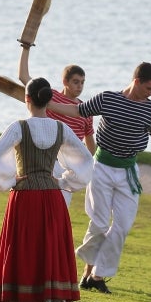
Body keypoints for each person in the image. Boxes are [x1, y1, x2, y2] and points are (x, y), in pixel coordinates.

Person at [48, 62, 151, 293]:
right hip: (102, 168)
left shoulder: (150, 109)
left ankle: (97, 275)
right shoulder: (108, 99)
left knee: (123, 225)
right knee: (98, 223)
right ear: (136, 82)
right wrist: (48, 104)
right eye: (148, 88)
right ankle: (89, 272)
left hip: (128, 172)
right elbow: (78, 110)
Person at [0, 77, 94, 302]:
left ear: (27, 99)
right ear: (50, 101)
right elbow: (86, 159)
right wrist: (65, 180)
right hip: (52, 196)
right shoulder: (60, 128)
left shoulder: (19, 127)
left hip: (25, 196)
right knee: (49, 253)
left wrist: (10, 179)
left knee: (28, 253)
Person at [18, 43, 96, 205]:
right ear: (65, 81)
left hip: (68, 165)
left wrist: (85, 168)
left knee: (60, 207)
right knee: (39, 204)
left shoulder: (85, 109)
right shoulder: (50, 96)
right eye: (76, 82)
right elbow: (24, 77)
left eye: (82, 82)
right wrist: (26, 48)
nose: (80, 86)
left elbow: (90, 145)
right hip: (47, 159)